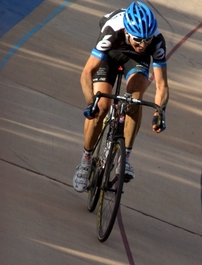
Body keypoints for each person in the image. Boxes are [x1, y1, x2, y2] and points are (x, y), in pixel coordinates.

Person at [73, 1, 169, 192]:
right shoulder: (112, 31)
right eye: (138, 40)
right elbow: (86, 74)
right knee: (101, 107)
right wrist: (91, 102)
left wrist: (160, 112)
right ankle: (85, 160)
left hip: (134, 61)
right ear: (127, 33)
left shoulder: (156, 41)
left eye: (147, 40)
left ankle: (124, 157)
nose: (143, 45)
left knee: (135, 96)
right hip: (110, 55)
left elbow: (162, 85)